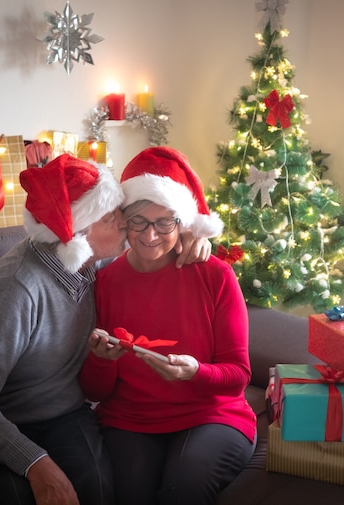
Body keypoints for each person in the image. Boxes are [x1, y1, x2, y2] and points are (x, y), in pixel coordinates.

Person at [0, 153, 211, 505]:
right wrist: (35, 463)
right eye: (112, 217)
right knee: (18, 496)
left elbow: (154, 243)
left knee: (96, 489)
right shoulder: (17, 289)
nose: (125, 223)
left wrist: (193, 235)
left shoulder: (94, 263)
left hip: (61, 414)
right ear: (78, 233)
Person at [78, 146, 257, 505]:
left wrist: (196, 373)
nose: (150, 236)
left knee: (183, 488)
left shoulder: (215, 276)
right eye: (139, 221)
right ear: (124, 219)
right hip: (130, 418)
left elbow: (238, 374)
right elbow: (95, 392)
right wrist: (102, 359)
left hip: (213, 415)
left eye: (165, 223)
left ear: (183, 223)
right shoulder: (105, 281)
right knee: (128, 494)